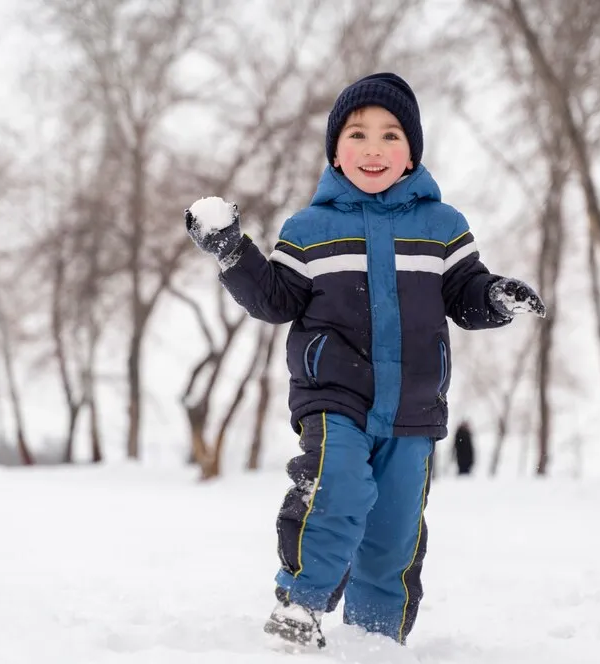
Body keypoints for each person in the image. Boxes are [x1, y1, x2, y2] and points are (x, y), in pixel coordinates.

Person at [184, 72, 545, 649]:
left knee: (395, 533)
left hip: (414, 406)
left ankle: (376, 643)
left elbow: (464, 291)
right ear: (334, 150)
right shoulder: (309, 231)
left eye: (390, 135)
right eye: (357, 134)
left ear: (411, 153)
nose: (373, 149)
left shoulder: (443, 227)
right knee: (336, 485)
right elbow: (277, 300)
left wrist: (496, 297)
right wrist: (235, 254)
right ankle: (301, 603)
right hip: (337, 396)